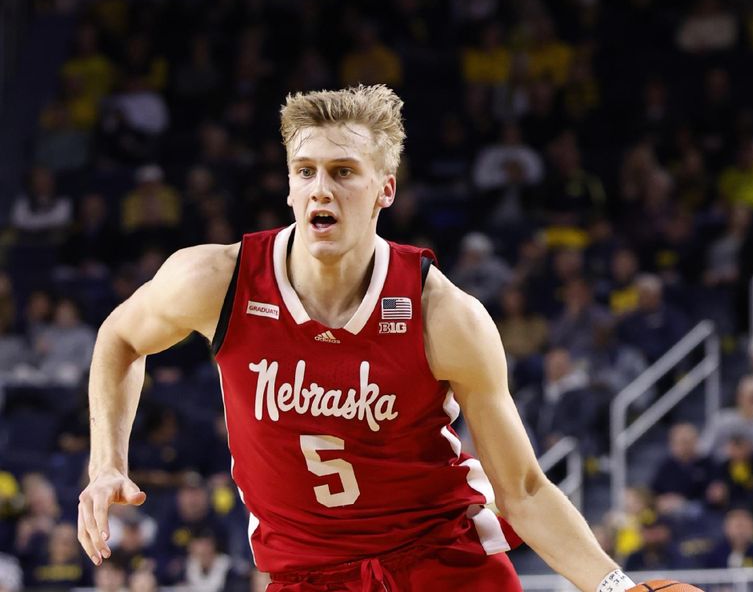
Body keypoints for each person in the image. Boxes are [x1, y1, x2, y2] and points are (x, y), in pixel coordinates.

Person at [78, 84, 671, 591]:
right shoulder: (215, 280)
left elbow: (523, 489)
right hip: (306, 574)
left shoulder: (444, 315)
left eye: (343, 173)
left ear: (385, 189)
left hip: (440, 560)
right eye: (305, 172)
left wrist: (618, 585)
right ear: (288, 188)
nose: (321, 190)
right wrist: (106, 464)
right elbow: (119, 340)